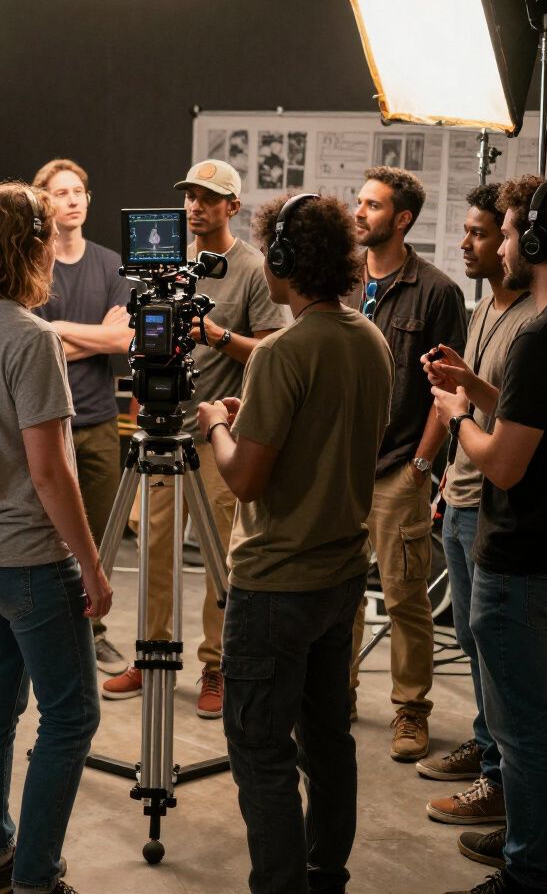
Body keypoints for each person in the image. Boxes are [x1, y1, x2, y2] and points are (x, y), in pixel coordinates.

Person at [197, 192, 394, 894]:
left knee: (259, 750)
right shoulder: (368, 339)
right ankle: (324, 874)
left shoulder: (280, 352)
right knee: (328, 740)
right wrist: (256, 418)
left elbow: (247, 480)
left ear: (282, 260)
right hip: (340, 577)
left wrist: (218, 424)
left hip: (274, 583)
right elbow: (328, 428)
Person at [431, 177, 547, 894]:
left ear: (535, 242)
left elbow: (505, 463)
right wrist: (476, 389)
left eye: (509, 233)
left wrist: (455, 417)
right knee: (546, 709)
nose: (502, 243)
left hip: (520, 557)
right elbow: (540, 423)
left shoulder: (543, 335)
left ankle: (526, 870)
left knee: (521, 731)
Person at [0, 181, 112, 894]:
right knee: (72, 714)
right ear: (35, 247)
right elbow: (50, 473)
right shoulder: (33, 339)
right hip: (31, 561)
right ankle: (36, 877)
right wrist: (93, 568)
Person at [102, 158, 289, 718]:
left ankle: (217, 666)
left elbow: (272, 353)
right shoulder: (168, 267)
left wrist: (216, 334)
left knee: (219, 561)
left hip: (217, 436)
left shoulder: (254, 269)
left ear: (233, 205)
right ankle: (152, 654)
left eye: (208, 197)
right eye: (189, 197)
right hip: (162, 429)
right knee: (154, 553)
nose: (195, 207)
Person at [416, 185, 535, 827]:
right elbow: (489, 400)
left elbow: (513, 425)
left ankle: (496, 775)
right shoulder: (483, 307)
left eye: (483, 234)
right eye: (465, 231)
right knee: (467, 638)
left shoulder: (531, 321)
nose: (467, 243)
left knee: (490, 650)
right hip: (458, 493)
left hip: (487, 502)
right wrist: (464, 380)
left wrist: (464, 402)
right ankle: (487, 746)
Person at [342, 165, 467, 761]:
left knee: (405, 596)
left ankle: (410, 710)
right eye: (359, 202)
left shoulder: (438, 292)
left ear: (403, 219)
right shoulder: (342, 283)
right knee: (337, 592)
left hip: (398, 468)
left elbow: (447, 392)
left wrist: (421, 466)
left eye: (372, 205)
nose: (359, 213)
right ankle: (334, 696)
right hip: (341, 469)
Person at [33, 157, 134, 675]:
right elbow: (25, 340)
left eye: (79, 191)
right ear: (43, 202)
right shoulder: (30, 265)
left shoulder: (112, 264)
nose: (72, 200)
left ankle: (92, 628)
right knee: (45, 530)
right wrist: (86, 335)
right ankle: (52, 628)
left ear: (88, 200)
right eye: (60, 192)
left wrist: (56, 332)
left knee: (97, 532)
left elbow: (122, 339)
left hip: (95, 421)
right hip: (43, 421)